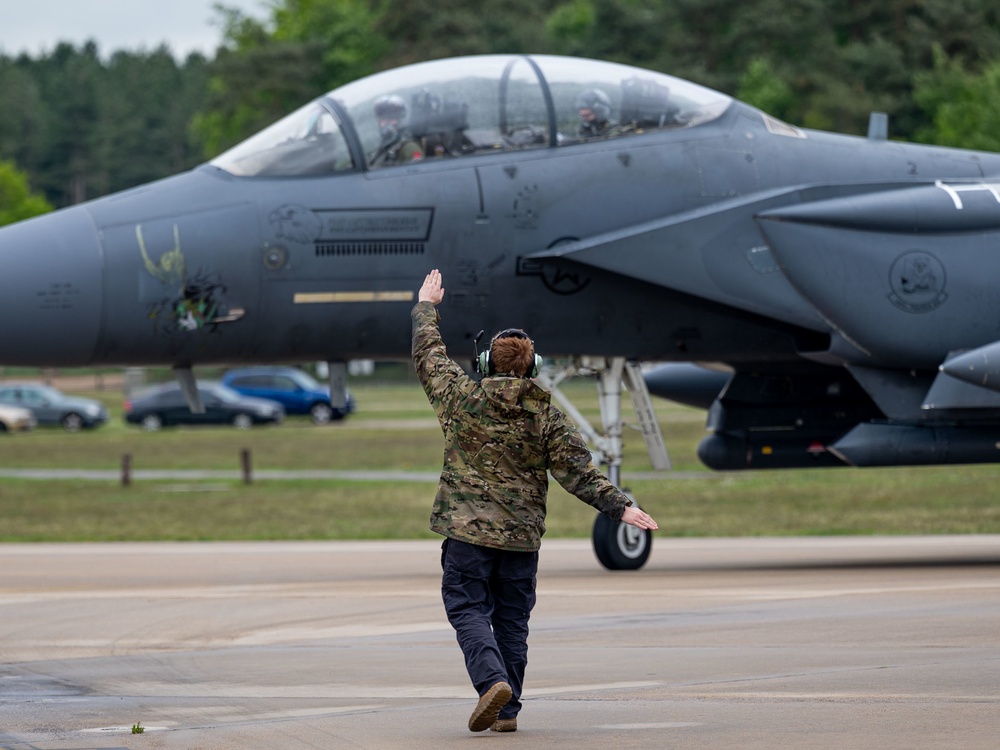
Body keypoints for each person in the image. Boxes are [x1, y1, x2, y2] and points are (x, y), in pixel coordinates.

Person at [411, 269, 659, 733]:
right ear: (534, 367)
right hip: (521, 541)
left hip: (467, 536)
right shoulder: (548, 418)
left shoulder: (461, 399)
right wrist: (621, 507)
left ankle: (491, 683)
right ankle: (507, 711)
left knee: (466, 608)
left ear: (486, 364)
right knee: (512, 622)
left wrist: (427, 305)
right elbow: (579, 475)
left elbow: (429, 355)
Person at [370, 95, 423, 166]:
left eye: (391, 118)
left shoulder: (409, 147)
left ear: (400, 120)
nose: (386, 122)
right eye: (383, 119)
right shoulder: (383, 147)